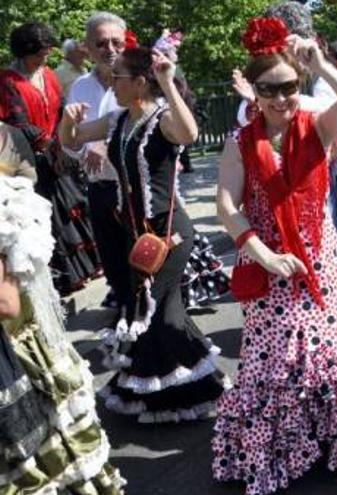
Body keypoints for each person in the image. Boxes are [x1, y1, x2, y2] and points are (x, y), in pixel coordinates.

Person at [211, 19, 337, 491]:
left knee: (325, 351)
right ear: (255, 91)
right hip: (265, 262)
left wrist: (321, 65)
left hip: (318, 259)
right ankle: (280, 448)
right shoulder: (239, 142)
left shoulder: (318, 126)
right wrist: (262, 254)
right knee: (275, 357)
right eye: (269, 89)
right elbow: (226, 205)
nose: (281, 98)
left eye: (288, 86)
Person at [59, 43, 227, 422]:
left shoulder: (163, 118)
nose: (111, 83)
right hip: (134, 234)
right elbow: (70, 140)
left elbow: (189, 134)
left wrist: (167, 82)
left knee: (153, 307)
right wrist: (68, 120)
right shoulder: (117, 120)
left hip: (169, 234)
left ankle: (173, 394)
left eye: (117, 76)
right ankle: (187, 386)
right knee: (158, 308)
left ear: (138, 83)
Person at [0, 174, 126, 493]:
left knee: (51, 454)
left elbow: (6, 303)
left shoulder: (6, 203)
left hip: (20, 354)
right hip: (22, 348)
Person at [0, 22, 103, 296]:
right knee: (49, 213)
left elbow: (60, 110)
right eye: (40, 54)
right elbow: (18, 121)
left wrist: (62, 144)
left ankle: (88, 267)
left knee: (73, 204)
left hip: (58, 149)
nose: (45, 59)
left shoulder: (48, 75)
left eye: (47, 53)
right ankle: (65, 278)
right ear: (24, 52)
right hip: (28, 157)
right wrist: (49, 147)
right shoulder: (8, 81)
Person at [66, 12, 127, 311]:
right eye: (101, 43)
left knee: (145, 262)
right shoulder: (79, 86)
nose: (110, 49)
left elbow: (152, 126)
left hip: (135, 190)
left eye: (117, 42)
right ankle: (127, 317)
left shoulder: (140, 80)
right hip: (99, 186)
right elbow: (70, 140)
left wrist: (105, 144)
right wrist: (84, 148)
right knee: (113, 262)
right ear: (87, 47)